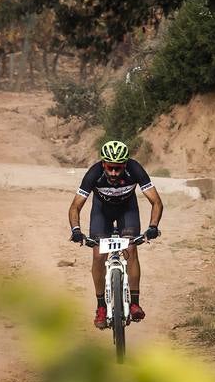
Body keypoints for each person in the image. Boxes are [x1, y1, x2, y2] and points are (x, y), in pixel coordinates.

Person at [67, 139, 162, 329]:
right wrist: (76, 230)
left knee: (132, 249)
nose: (113, 173)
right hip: (102, 212)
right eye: (110, 168)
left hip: (128, 210)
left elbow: (156, 202)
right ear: (103, 164)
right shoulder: (93, 173)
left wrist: (153, 226)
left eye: (118, 169)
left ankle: (134, 302)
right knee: (98, 254)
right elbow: (75, 207)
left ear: (125, 165)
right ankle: (101, 306)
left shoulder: (135, 169)